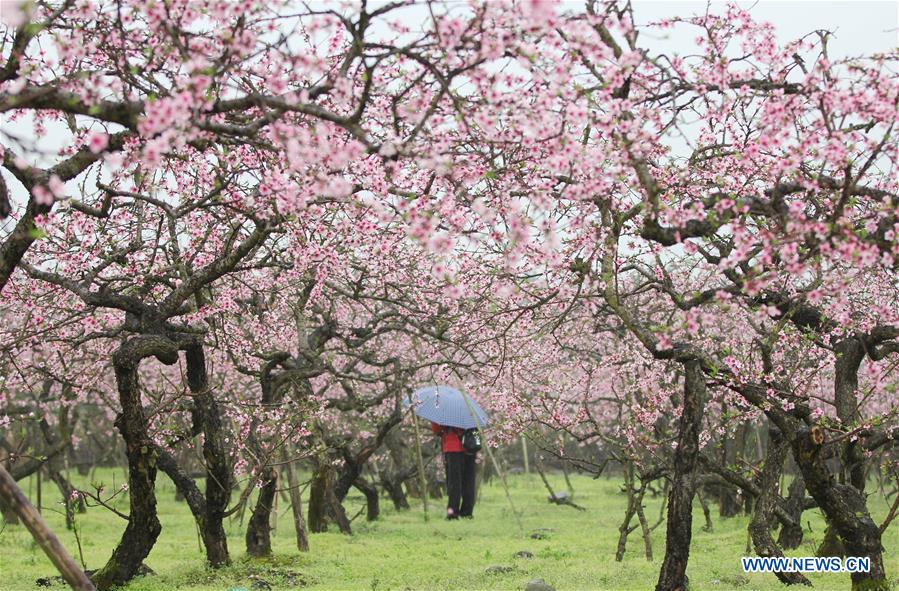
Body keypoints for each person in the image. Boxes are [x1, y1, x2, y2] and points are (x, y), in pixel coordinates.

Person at [431, 422, 476, 519]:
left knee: (454, 483)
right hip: (470, 446)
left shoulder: (445, 413)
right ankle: (467, 512)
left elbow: (436, 429)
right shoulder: (471, 412)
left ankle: (452, 513)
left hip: (453, 447)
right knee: (469, 481)